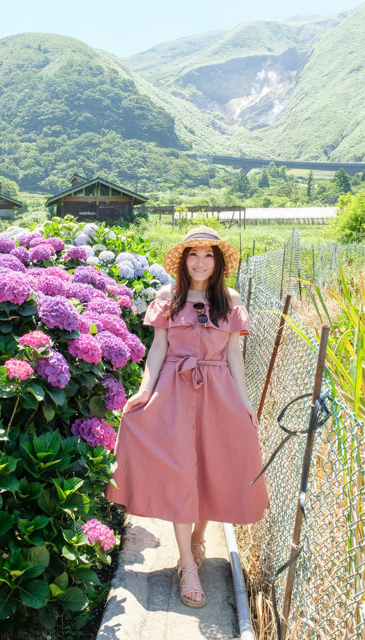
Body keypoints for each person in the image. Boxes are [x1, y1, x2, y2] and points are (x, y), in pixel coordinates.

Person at [106, 225, 269, 608]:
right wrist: (145, 391)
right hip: (174, 390)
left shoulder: (229, 300)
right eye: (192, 255)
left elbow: (233, 356)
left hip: (218, 391)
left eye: (207, 255)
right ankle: (187, 565)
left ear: (217, 262)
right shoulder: (169, 298)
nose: (199, 262)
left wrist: (245, 403)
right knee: (180, 470)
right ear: (183, 261)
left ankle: (198, 540)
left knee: (209, 468)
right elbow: (158, 349)